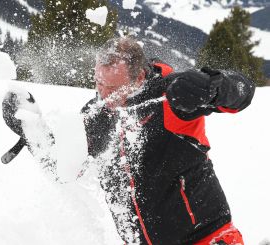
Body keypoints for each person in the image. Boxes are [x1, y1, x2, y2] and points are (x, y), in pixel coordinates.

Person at [81, 37, 255, 245]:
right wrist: (35, 136)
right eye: (99, 83)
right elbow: (69, 167)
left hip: (205, 238)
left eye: (113, 87)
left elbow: (242, 92)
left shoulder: (172, 94)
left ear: (139, 78)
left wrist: (214, 86)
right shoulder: (94, 117)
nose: (104, 94)